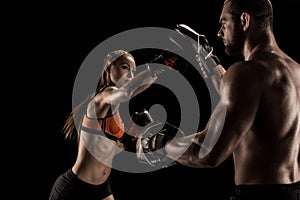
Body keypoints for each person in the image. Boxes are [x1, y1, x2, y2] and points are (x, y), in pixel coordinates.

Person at [137, 0, 300, 199]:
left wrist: (156, 141)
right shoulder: (294, 70)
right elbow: (244, 100)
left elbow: (207, 151)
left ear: (244, 20)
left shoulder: (246, 73)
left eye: (224, 23)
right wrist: (207, 58)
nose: (219, 33)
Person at [49, 50, 159, 200]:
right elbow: (127, 93)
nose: (130, 75)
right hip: (75, 189)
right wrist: (153, 67)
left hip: (101, 188)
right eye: (125, 67)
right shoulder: (103, 96)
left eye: (133, 71)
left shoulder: (115, 111)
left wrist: (157, 72)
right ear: (108, 68)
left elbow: (104, 152)